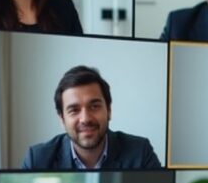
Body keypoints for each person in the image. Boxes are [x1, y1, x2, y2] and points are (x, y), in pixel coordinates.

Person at [22, 66, 162, 170]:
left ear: (109, 110)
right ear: (62, 119)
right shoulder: (37, 160)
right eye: (74, 110)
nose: (85, 119)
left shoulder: (140, 152)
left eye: (94, 106)